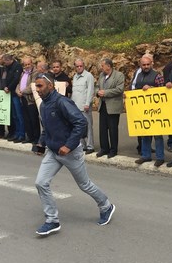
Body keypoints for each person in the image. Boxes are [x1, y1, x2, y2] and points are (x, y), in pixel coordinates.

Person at [33, 72, 116, 236]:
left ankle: (106, 206)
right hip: (53, 151)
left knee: (84, 184)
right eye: (36, 86)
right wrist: (41, 143)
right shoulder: (43, 105)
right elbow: (47, 128)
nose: (37, 89)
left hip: (70, 152)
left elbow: (81, 122)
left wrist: (69, 145)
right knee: (41, 183)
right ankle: (52, 220)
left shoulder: (62, 102)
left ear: (50, 85)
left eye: (40, 86)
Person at [133, 54, 166, 167]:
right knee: (145, 134)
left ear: (151, 64)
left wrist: (151, 89)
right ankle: (145, 155)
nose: (146, 66)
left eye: (148, 64)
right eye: (144, 65)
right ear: (140, 65)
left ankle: (160, 157)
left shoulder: (157, 76)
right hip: (143, 110)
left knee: (157, 135)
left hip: (156, 110)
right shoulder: (138, 76)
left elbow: (163, 91)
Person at [95, 58, 125, 158]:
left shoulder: (119, 75)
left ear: (108, 66)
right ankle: (104, 148)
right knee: (102, 129)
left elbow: (119, 89)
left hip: (113, 106)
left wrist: (106, 92)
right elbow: (97, 86)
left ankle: (113, 150)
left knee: (113, 129)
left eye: (102, 65)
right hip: (103, 105)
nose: (101, 67)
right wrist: (97, 92)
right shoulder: (101, 75)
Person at [71, 58, 96, 154]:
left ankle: (90, 146)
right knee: (78, 126)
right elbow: (74, 92)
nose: (79, 68)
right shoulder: (75, 77)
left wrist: (87, 103)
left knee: (88, 126)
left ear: (84, 66)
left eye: (81, 66)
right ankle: (83, 145)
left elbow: (90, 90)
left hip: (84, 106)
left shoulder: (88, 76)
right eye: (77, 66)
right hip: (76, 106)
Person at [16, 56, 41, 144]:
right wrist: (17, 91)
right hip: (23, 98)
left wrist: (22, 92)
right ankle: (29, 137)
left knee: (33, 119)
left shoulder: (35, 73)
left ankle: (36, 138)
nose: (27, 66)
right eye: (25, 64)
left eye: (28, 64)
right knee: (26, 119)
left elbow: (32, 86)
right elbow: (19, 83)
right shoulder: (23, 73)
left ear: (32, 64)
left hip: (31, 99)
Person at [0, 54, 24, 142]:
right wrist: (4, 87)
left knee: (19, 115)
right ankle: (16, 133)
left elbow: (16, 79)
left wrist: (9, 87)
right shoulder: (5, 67)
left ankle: (21, 134)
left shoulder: (17, 66)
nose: (4, 63)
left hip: (14, 93)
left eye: (5, 61)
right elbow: (3, 78)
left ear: (9, 60)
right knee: (13, 115)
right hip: (8, 93)